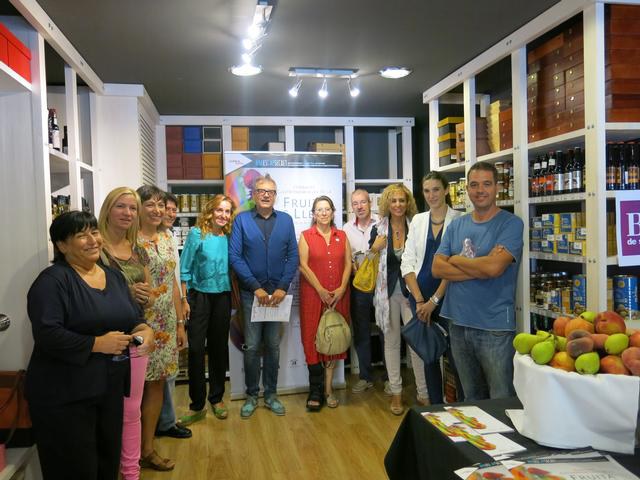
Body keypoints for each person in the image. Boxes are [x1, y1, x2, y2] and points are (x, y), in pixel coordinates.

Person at [25, 211, 154, 479]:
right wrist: (96, 343)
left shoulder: (114, 277)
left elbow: (133, 318)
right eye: (82, 235)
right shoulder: (52, 281)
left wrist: (145, 330)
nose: (93, 240)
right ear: (62, 245)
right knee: (75, 468)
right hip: (65, 394)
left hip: (109, 389)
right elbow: (47, 333)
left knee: (106, 464)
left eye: (94, 232)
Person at [433, 162, 524, 400]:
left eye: (486, 184)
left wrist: (456, 260)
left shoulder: (511, 224)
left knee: (501, 399)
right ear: (467, 189)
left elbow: (494, 268)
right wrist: (482, 266)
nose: (480, 190)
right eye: (474, 185)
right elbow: (437, 268)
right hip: (458, 324)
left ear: (497, 187)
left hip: (494, 328)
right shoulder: (456, 225)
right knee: (471, 399)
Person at [97, 187, 157, 480]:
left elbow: (151, 295)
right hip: (103, 337)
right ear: (108, 209)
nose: (128, 213)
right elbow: (90, 293)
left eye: (132, 208)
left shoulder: (138, 250)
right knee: (106, 410)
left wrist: (147, 296)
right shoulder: (96, 249)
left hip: (137, 331)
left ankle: (131, 473)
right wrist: (126, 293)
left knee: (132, 410)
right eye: (121, 206)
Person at [229, 175, 299, 418]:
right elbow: (235, 256)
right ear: (254, 194)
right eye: (261, 190)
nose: (266, 194)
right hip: (252, 295)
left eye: (270, 191)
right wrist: (255, 287)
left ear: (275, 195)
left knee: (273, 346)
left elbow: (293, 256)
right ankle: (251, 395)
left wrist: (282, 287)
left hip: (278, 296)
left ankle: (271, 394)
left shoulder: (286, 220)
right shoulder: (242, 220)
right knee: (251, 346)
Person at [401, 172, 463, 405]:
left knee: (456, 357)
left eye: (436, 189)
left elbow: (456, 266)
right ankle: (436, 408)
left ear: (446, 190)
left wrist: (434, 300)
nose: (431, 195)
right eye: (427, 191)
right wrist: (419, 299)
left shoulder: (460, 220)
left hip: (449, 298)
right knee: (429, 356)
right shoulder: (418, 221)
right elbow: (407, 262)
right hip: (419, 297)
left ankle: (463, 407)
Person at [136, 185, 187, 471]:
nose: (157, 210)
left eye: (160, 204)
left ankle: (147, 449)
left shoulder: (167, 238)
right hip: (140, 322)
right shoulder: (130, 240)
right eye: (150, 204)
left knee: (157, 384)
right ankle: (130, 450)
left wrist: (180, 323)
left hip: (166, 321)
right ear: (139, 207)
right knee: (135, 388)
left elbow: (172, 283)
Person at [179, 194, 235, 423]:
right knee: (195, 351)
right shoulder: (196, 233)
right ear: (210, 211)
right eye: (219, 210)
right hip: (198, 297)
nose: (223, 215)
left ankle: (217, 398)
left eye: (227, 211)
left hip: (222, 297)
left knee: (219, 349)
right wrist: (184, 299)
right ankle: (197, 404)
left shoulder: (228, 236)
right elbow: (184, 268)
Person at [370, 183, 423, 416]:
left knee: (416, 343)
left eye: (402, 200)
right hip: (387, 294)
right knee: (391, 343)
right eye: (393, 201)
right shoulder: (378, 229)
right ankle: (396, 392)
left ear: (408, 202)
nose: (398, 205)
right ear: (387, 203)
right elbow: (368, 264)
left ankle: (423, 392)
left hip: (414, 293)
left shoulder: (417, 226)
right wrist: (374, 248)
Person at [298, 196, 352, 410]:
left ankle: (329, 390)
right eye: (319, 210)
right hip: (313, 296)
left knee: (333, 339)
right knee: (312, 339)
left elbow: (348, 264)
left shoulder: (342, 236)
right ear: (313, 214)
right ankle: (315, 390)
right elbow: (303, 265)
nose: (323, 213)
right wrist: (320, 289)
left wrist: (342, 288)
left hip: (338, 297)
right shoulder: (306, 236)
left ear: (333, 212)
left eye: (327, 209)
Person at [155, 192, 192, 439]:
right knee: (160, 373)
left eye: (173, 209)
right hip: (156, 312)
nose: (170, 213)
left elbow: (174, 278)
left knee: (170, 369)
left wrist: (182, 301)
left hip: (171, 309)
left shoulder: (168, 236)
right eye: (166, 208)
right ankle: (163, 422)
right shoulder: (147, 239)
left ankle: (166, 420)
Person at [343, 189, 379, 394]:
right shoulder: (346, 228)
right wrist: (351, 264)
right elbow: (345, 256)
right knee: (362, 330)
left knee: (386, 329)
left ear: (370, 202)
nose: (359, 206)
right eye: (355, 203)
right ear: (352, 207)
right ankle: (366, 376)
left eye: (363, 202)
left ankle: (391, 376)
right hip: (358, 286)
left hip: (382, 284)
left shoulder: (382, 223)